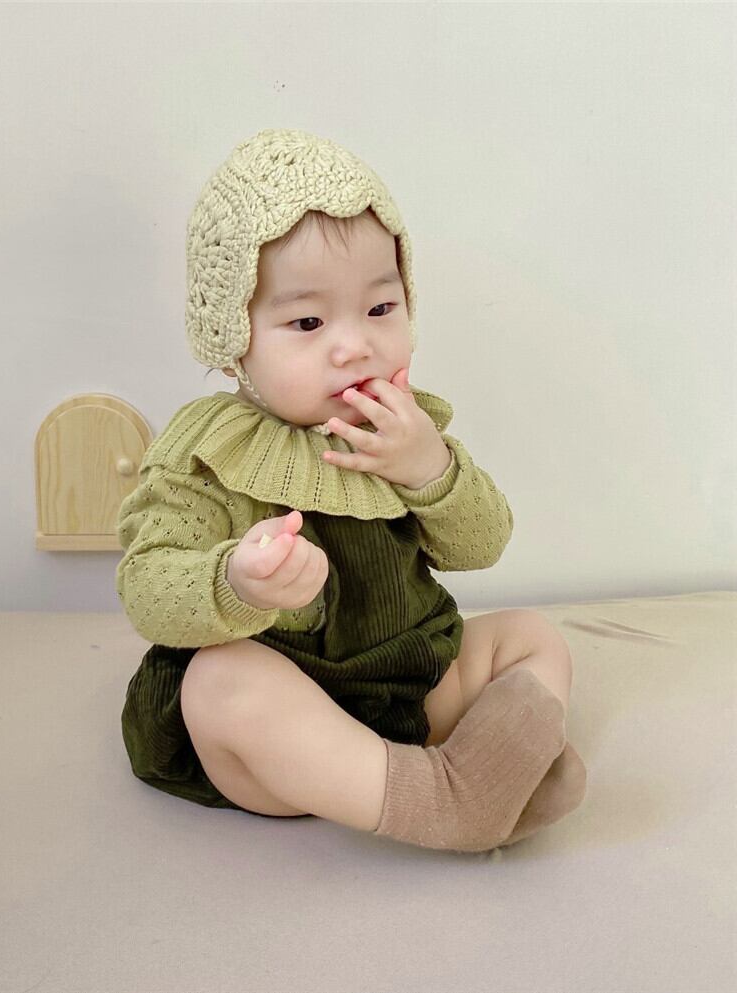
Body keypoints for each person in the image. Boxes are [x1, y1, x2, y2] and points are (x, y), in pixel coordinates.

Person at [115, 128, 586, 852]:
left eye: (380, 309)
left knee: (532, 637)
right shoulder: (206, 452)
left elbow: (483, 545)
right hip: (283, 740)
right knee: (218, 681)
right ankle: (450, 802)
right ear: (234, 341)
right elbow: (146, 587)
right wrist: (235, 581)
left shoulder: (404, 429)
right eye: (307, 321)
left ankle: (472, 774)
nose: (355, 345)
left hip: (408, 691)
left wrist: (430, 470)